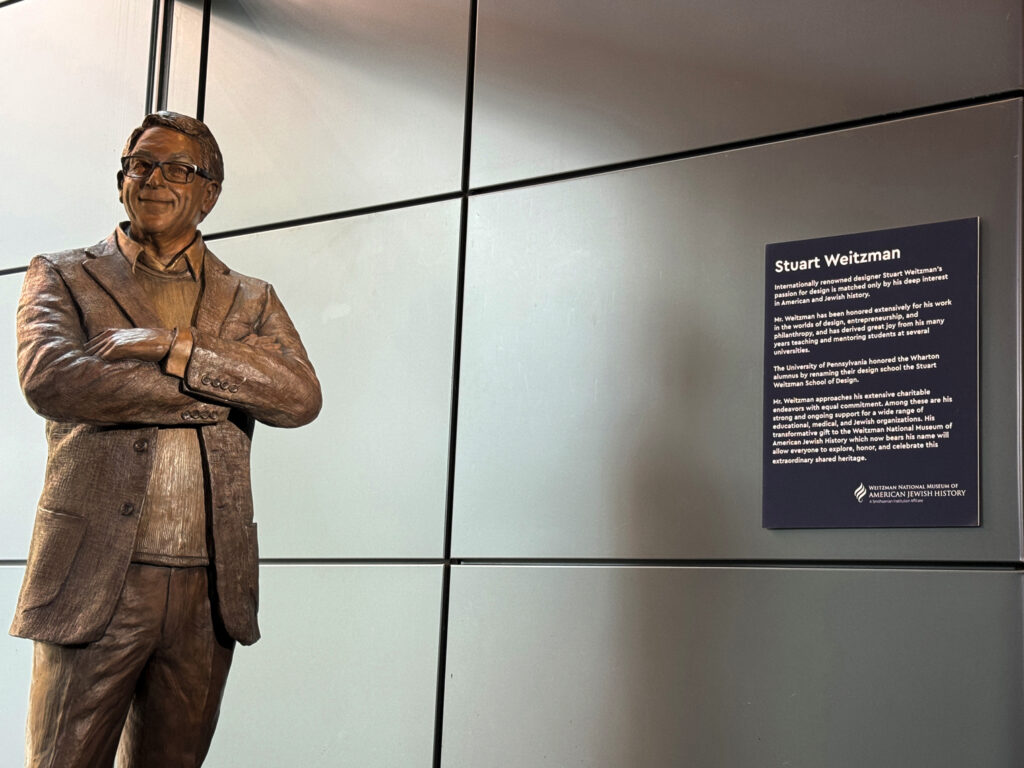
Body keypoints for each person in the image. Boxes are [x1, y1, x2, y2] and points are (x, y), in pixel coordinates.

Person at [10, 111, 322, 767]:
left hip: (211, 589)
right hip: (96, 576)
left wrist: (173, 347)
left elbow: (297, 397)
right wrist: (217, 395)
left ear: (210, 192)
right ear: (121, 179)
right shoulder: (64, 275)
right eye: (141, 164)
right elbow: (54, 380)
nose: (155, 179)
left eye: (179, 168)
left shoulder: (251, 300)